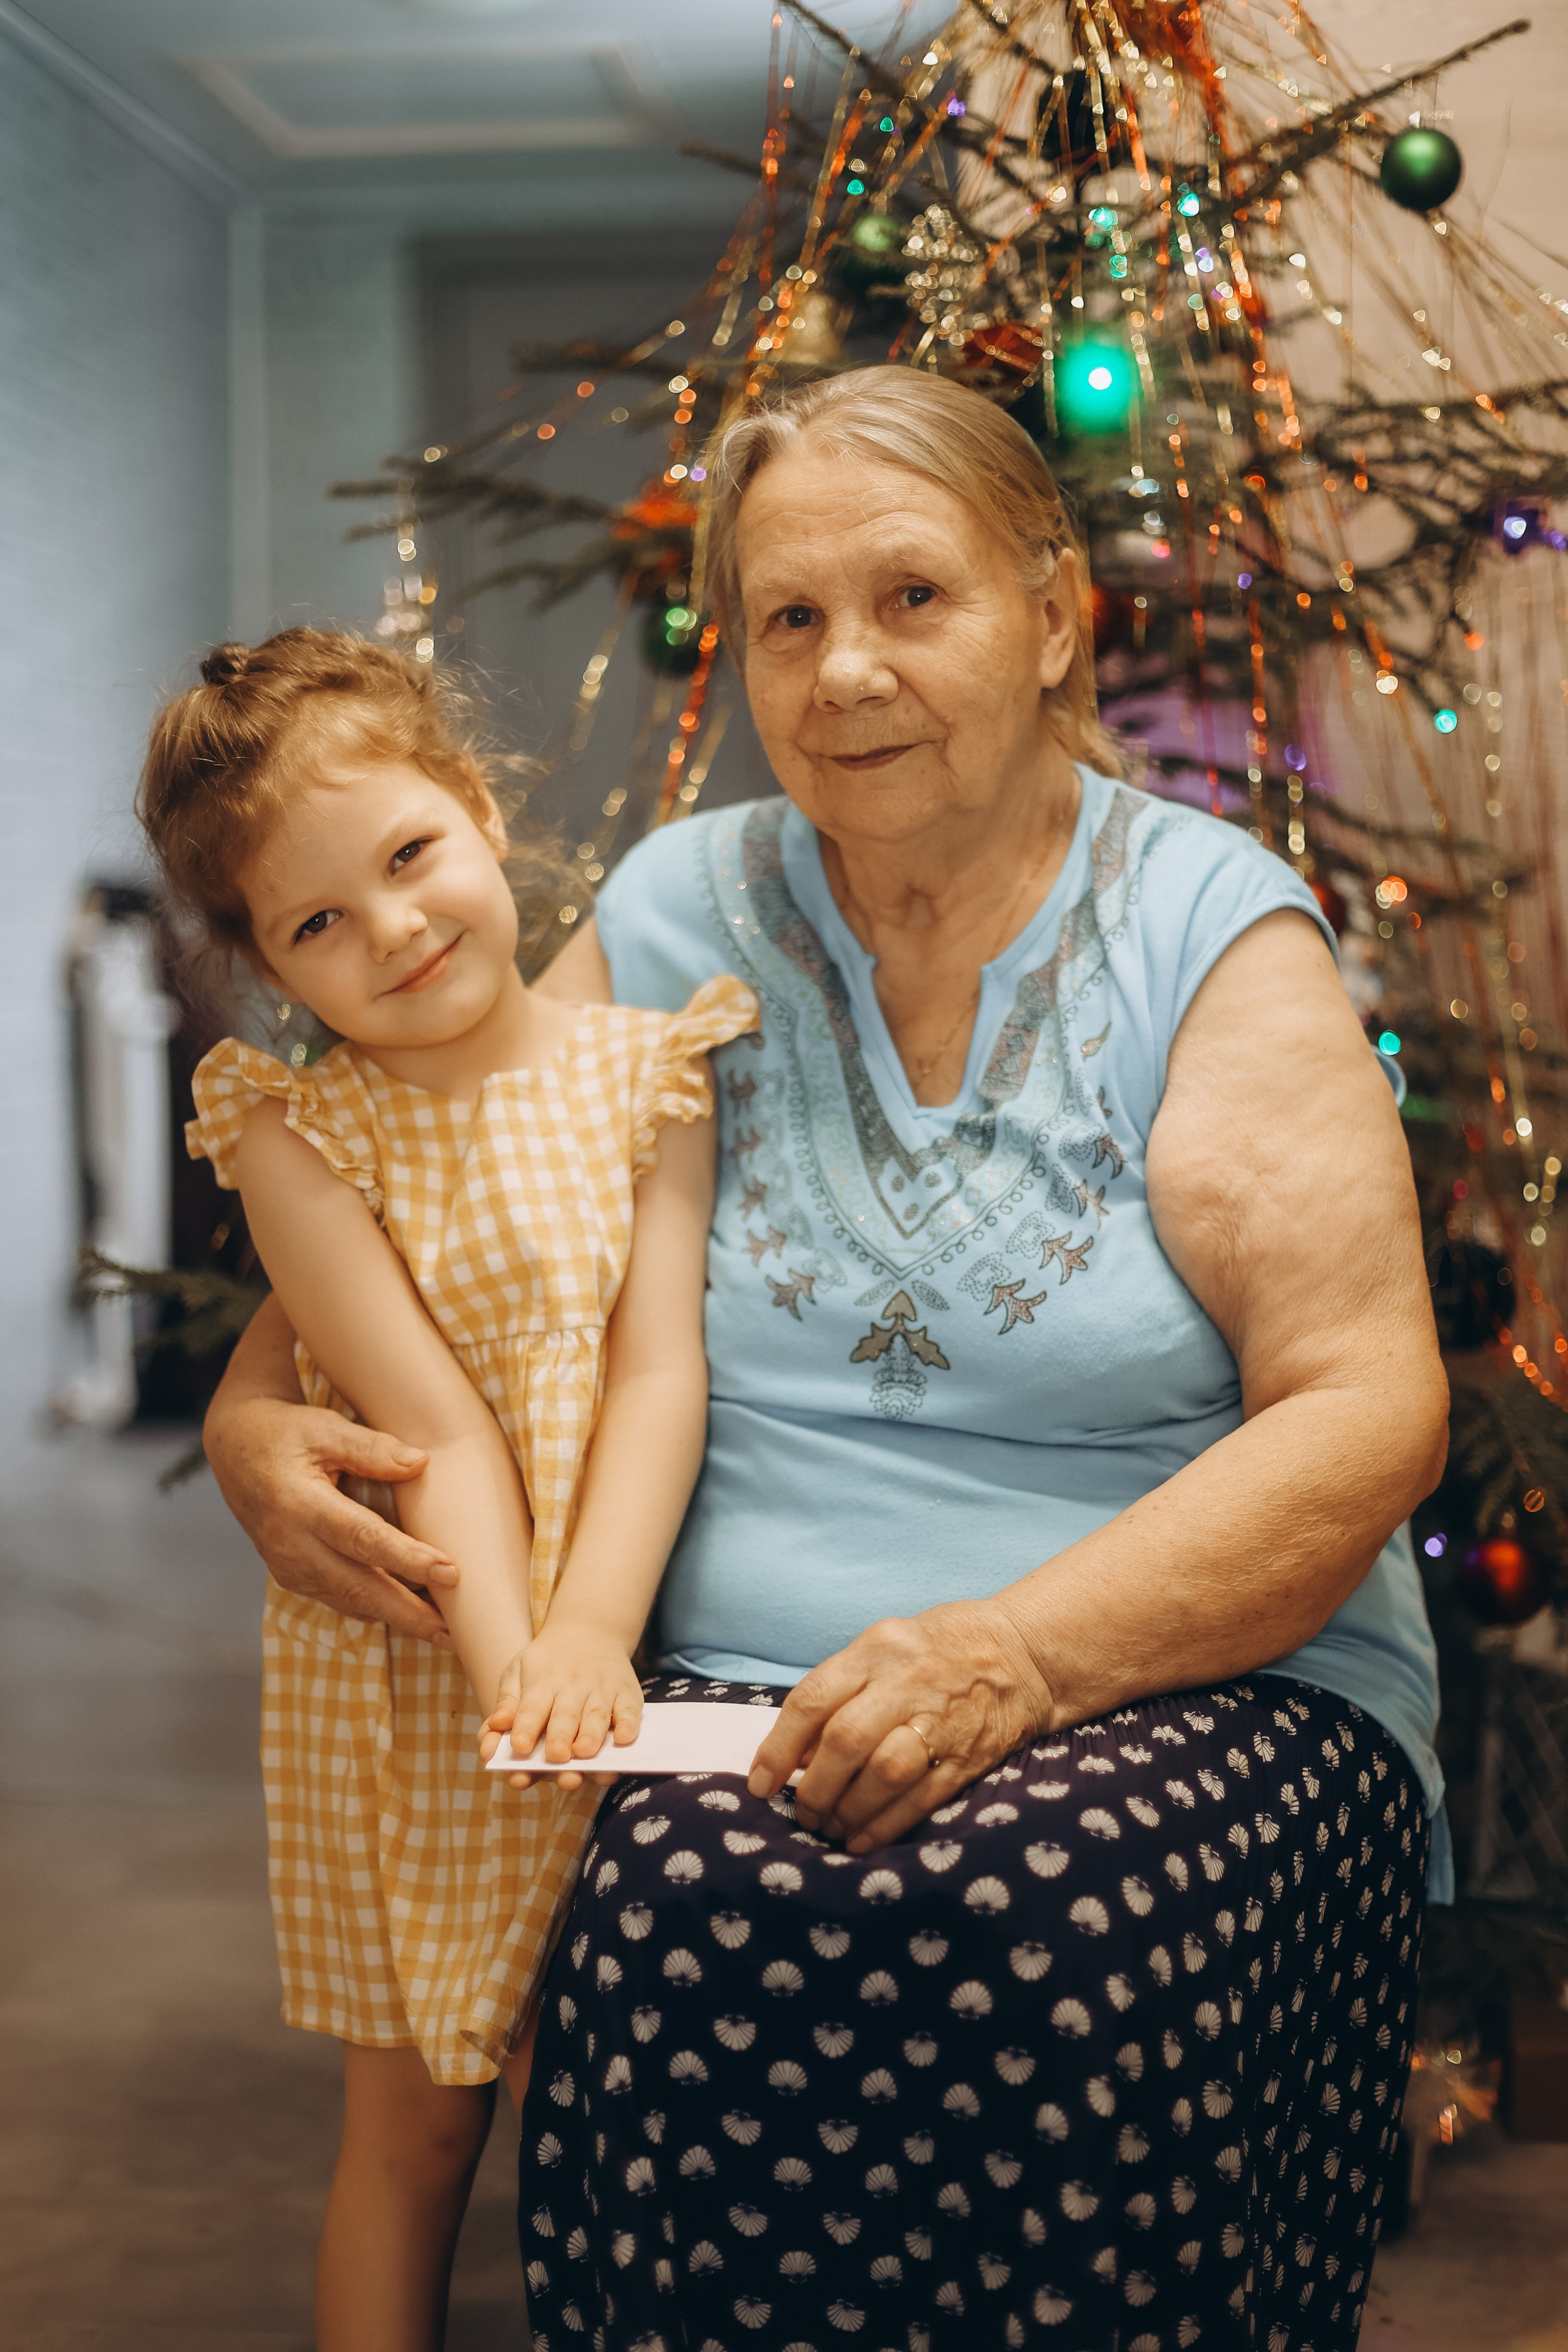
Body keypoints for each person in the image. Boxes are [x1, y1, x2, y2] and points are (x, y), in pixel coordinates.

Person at [204, 371, 1449, 2351]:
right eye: (790, 616)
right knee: (683, 1905)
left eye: (912, 598)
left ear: (1054, 616)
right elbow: (449, 1205)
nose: (847, 668)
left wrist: (1020, 1654)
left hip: (1188, 1670)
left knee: (1035, 1914)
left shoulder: (1212, 938)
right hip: (726, 1685)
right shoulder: (679, 909)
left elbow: (1370, 1411)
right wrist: (251, 1416)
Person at [138, 628, 755, 2352]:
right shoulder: (297, 1135)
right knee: (413, 2131)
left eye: (411, 856)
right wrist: (514, 1680)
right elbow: (441, 1436)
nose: (395, 931)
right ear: (265, 963)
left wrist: (593, 1637)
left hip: (613, 1642)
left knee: (606, 2106)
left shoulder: (649, 1073)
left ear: (478, 807)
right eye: (316, 925)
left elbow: (660, 1375)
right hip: (424, 1678)